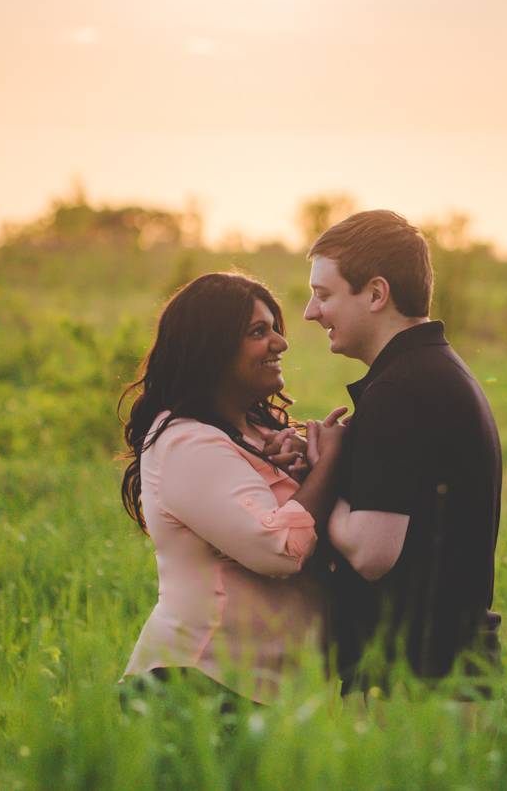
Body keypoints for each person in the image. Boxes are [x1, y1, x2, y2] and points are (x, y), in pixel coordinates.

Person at [117, 272, 346, 705]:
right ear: (212, 348)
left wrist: (305, 459)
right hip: (194, 684)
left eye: (275, 329)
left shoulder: (259, 432)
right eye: (259, 332)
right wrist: (330, 464)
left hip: (265, 692)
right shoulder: (187, 443)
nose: (280, 343)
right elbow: (276, 548)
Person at [302, 210, 503, 695]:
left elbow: (372, 552)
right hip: (447, 674)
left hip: (415, 685)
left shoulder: (401, 391)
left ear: (375, 293)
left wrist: (323, 474)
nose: (311, 312)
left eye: (324, 294)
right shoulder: (437, 371)